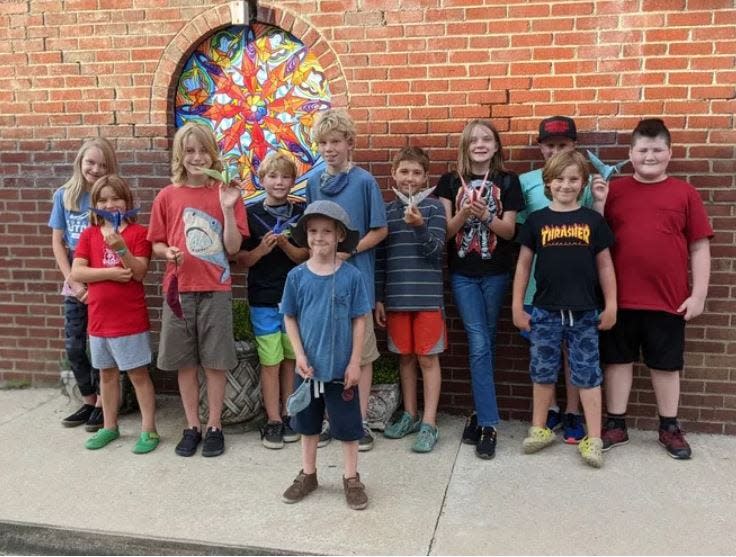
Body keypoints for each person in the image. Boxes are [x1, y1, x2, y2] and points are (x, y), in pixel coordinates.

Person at [600, 118, 713, 460]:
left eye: (657, 149)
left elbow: (699, 246)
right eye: (643, 149)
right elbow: (596, 241)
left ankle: (669, 427)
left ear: (669, 152)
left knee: (666, 365)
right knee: (617, 361)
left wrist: (699, 295)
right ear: (630, 154)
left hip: (668, 300)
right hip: (619, 299)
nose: (650, 156)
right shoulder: (614, 191)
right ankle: (616, 424)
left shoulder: (685, 193)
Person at [148, 122, 249, 458]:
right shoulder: (167, 195)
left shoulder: (226, 194)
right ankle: (192, 425)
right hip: (179, 290)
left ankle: (215, 425)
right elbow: (157, 244)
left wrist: (227, 208)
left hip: (216, 288)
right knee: (185, 363)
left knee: (216, 362)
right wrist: (167, 252)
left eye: (203, 149)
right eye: (189, 150)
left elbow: (233, 250)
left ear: (212, 153)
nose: (196, 156)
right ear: (180, 154)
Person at [512, 151, 617, 468]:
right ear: (547, 183)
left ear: (583, 183)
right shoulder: (536, 221)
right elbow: (523, 267)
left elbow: (605, 267)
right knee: (542, 372)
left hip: (585, 312)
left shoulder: (593, 221)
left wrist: (611, 304)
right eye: (559, 179)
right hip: (544, 311)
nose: (566, 185)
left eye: (573, 179)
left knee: (587, 375)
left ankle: (594, 438)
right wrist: (518, 305)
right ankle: (539, 429)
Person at [436, 118, 525, 459]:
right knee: (478, 342)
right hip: (463, 274)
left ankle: (476, 413)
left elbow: (509, 233)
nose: (480, 144)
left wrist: (486, 216)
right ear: (465, 146)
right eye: (473, 140)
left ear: (496, 145)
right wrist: (463, 214)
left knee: (484, 344)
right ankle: (489, 424)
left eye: (486, 139)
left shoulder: (508, 181)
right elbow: (444, 233)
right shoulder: (448, 182)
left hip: (496, 273)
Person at [305, 109, 387, 451]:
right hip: (321, 282)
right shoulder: (312, 182)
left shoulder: (364, 181)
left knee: (360, 354)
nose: (329, 149)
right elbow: (310, 230)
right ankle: (328, 419)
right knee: (325, 351)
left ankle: (360, 421)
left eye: (335, 141)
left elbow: (380, 229)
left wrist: (349, 251)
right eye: (323, 143)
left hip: (356, 283)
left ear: (349, 143)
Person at [280, 200, 372, 510]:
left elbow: (359, 319)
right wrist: (299, 354)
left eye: (327, 232)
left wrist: (354, 361)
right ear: (306, 234)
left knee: (347, 428)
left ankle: (351, 477)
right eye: (314, 231)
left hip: (340, 370)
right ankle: (308, 474)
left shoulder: (351, 277)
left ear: (339, 235)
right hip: (308, 371)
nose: (320, 237)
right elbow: (289, 316)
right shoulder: (296, 277)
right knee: (307, 425)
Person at [70, 175, 158, 453]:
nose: (110, 204)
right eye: (103, 200)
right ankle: (110, 426)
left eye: (115, 198)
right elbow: (77, 272)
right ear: (95, 205)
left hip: (129, 320)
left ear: (127, 200)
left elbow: (139, 272)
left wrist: (120, 248)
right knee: (106, 375)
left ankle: (149, 430)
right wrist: (111, 274)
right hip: (99, 321)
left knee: (138, 374)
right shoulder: (89, 234)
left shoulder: (139, 233)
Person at [375, 147, 446, 453]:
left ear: (426, 177)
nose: (410, 178)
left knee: (427, 358)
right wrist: (379, 297)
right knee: (404, 357)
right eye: (404, 171)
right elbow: (379, 259)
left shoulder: (434, 209)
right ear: (393, 174)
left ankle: (430, 422)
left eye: (417, 173)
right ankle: (410, 414)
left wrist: (419, 226)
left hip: (428, 298)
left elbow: (436, 253)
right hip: (396, 298)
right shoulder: (386, 211)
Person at [238, 153, 308, 449]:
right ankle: (273, 419)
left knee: (291, 359)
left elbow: (303, 256)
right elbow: (242, 259)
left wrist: (286, 246)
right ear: (261, 180)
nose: (279, 182)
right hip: (263, 299)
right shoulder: (249, 212)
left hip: (294, 300)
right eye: (272, 177)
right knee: (270, 361)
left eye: (285, 177)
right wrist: (262, 251)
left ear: (293, 181)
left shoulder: (302, 212)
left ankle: (290, 412)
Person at [49, 137, 118, 432]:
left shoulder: (108, 198)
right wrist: (73, 283)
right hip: (75, 278)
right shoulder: (64, 196)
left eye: (102, 165)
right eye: (91, 162)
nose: (95, 169)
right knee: (75, 345)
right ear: (80, 161)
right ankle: (89, 400)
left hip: (102, 274)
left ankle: (105, 404)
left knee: (102, 345)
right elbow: (57, 243)